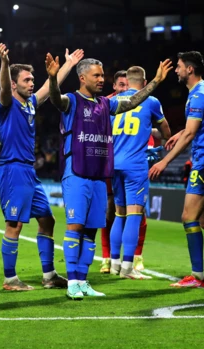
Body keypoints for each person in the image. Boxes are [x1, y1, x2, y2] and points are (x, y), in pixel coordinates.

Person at [48, 56, 173, 299]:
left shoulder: (106, 104)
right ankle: (73, 281)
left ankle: (83, 281)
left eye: (102, 75)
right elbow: (55, 98)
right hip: (76, 173)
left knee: (93, 229)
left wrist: (156, 81)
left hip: (98, 175)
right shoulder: (72, 101)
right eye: (96, 75)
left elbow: (134, 100)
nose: (101, 79)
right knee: (75, 227)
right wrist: (53, 78)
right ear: (82, 77)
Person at [0, 44, 83, 291]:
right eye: (26, 80)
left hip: (28, 171)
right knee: (14, 225)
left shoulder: (30, 103)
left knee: (47, 220)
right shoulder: (6, 103)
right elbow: (3, 87)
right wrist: (4, 63)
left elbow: (48, 87)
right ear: (14, 84)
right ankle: (10, 279)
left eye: (32, 79)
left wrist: (68, 65)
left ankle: (49, 275)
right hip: (13, 169)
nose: (31, 83)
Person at [149, 50, 204, 289]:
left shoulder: (198, 94)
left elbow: (191, 133)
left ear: (189, 69)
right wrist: (179, 133)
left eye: (179, 66)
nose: (176, 70)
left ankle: (197, 276)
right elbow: (200, 124)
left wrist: (164, 161)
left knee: (189, 218)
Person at [109, 66, 171, 279]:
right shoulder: (151, 101)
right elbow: (166, 132)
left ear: (127, 81)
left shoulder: (115, 101)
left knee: (119, 214)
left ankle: (114, 264)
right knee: (134, 216)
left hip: (114, 164)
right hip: (136, 165)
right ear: (144, 83)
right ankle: (128, 268)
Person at [100, 71, 127, 273]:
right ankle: (106, 257)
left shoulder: (138, 103)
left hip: (130, 164)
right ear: (115, 87)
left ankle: (135, 256)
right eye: (121, 85)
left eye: (128, 85)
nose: (125, 89)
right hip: (108, 164)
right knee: (110, 211)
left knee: (136, 212)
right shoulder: (107, 104)